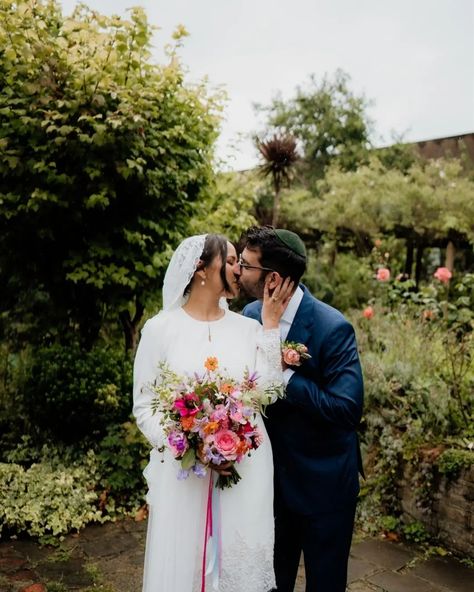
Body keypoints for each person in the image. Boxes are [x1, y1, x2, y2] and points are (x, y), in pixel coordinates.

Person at [133, 233, 293, 592]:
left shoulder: (249, 328)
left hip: (245, 469)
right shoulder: (160, 330)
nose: (240, 270)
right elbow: (144, 406)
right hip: (185, 474)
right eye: (232, 261)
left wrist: (270, 327)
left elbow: (269, 393)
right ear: (202, 269)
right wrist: (193, 446)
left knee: (239, 566)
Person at [238, 226, 364, 592]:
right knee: (271, 582)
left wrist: (284, 373)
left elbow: (347, 409)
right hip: (269, 484)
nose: (238, 271)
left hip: (323, 486)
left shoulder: (332, 327)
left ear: (273, 279)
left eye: (246, 265)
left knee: (324, 584)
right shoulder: (248, 315)